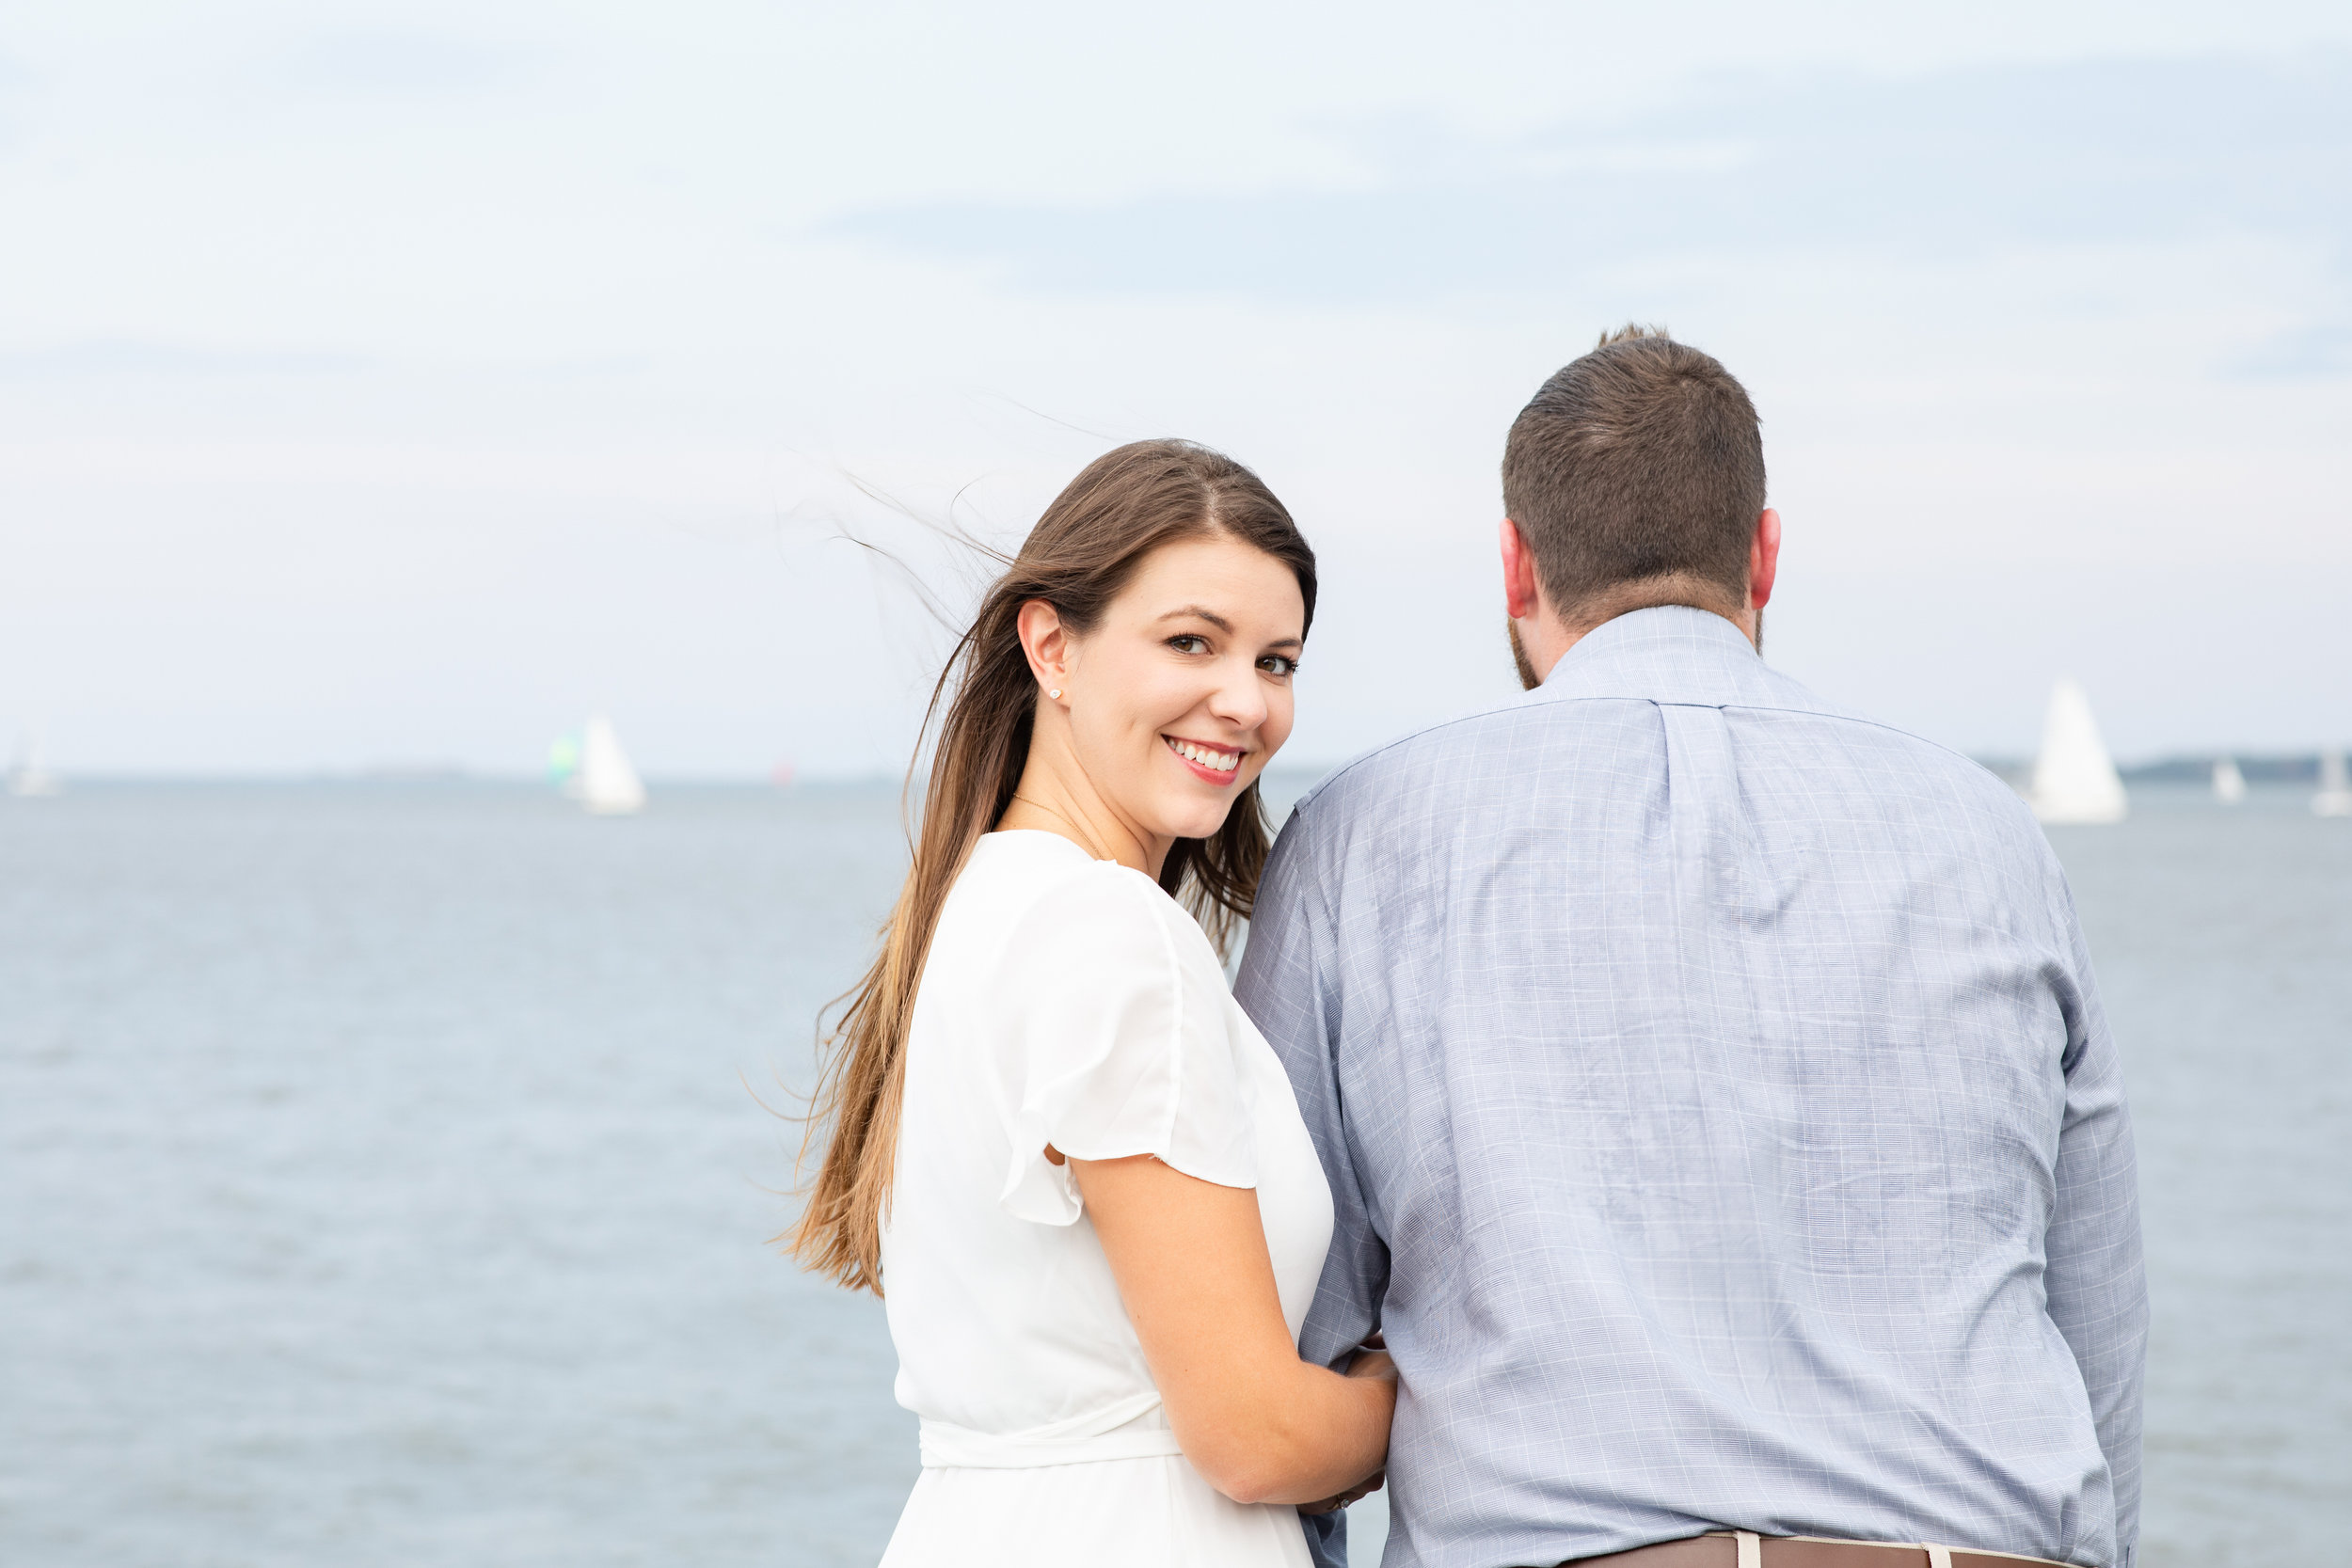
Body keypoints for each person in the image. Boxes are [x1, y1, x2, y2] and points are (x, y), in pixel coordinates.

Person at [1236, 328, 2147, 1568]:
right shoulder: (1989, 831)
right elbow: (2092, 1312)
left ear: (1516, 563)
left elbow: (1289, 1324)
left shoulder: (1361, 834)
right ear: (1764, 553)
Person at [790, 439, 1395, 1566]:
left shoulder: (971, 908)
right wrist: (1431, 1384)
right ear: (1051, 644)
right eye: (1190, 643)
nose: (1244, 702)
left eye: (1277, 661)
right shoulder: (1115, 937)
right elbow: (1253, 1435)